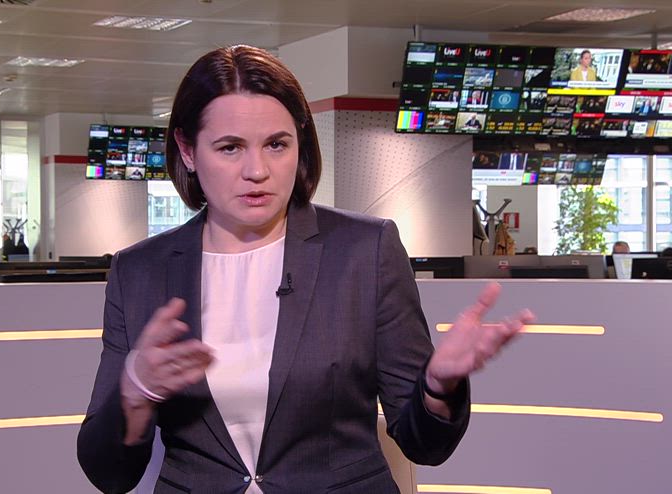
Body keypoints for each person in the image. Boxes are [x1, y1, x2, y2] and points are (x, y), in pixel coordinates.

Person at [77, 45, 535, 494]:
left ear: (300, 143)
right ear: (188, 150)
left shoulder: (365, 251)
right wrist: (135, 391)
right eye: (230, 148)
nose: (257, 170)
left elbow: (424, 445)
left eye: (276, 144)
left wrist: (437, 384)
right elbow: (109, 475)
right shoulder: (139, 271)